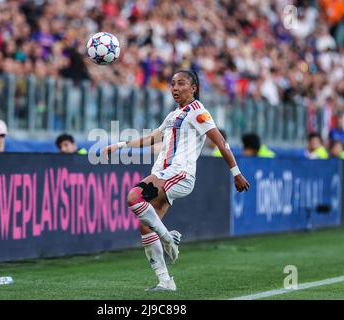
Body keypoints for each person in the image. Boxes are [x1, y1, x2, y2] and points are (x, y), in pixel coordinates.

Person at [101, 70, 250, 292]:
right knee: (146, 226)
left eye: (181, 84)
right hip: (164, 173)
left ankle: (169, 239)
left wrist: (236, 173)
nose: (175, 88)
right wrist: (119, 146)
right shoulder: (173, 115)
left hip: (179, 173)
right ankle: (165, 281)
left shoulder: (198, 111)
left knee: (134, 196)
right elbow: (151, 139)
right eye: (172, 84)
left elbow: (221, 142)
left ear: (194, 88)